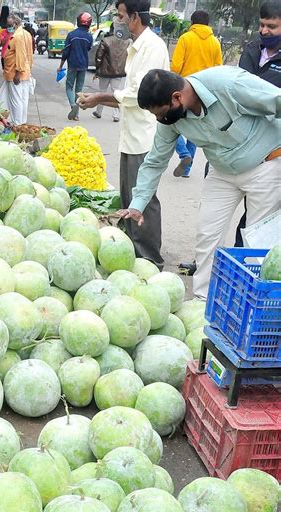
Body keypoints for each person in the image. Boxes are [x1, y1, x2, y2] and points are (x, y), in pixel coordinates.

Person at [118, 67, 281, 299]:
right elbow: (155, 161)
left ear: (177, 97)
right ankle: (203, 301)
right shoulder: (170, 119)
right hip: (222, 170)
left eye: (161, 114)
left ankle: (258, 303)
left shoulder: (228, 84)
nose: (159, 120)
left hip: (264, 165)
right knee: (208, 234)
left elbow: (277, 100)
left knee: (257, 241)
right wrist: (138, 203)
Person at [78, 0, 169, 269]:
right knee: (130, 196)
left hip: (144, 135)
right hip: (131, 135)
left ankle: (150, 259)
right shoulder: (135, 45)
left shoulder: (152, 47)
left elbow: (137, 95)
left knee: (145, 198)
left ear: (135, 18)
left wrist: (100, 98)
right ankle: (132, 250)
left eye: (120, 16)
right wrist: (101, 99)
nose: (118, 21)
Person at [236, 0, 281, 246]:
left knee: (262, 218)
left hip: (274, 148)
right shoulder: (252, 50)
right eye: (262, 25)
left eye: (272, 26)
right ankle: (235, 260)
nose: (264, 31)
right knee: (249, 213)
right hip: (244, 144)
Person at [171, 10, 222, 177]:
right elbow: (218, 68)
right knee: (195, 128)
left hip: (184, 88)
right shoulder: (215, 42)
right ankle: (186, 170)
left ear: (192, 23)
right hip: (204, 92)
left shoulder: (186, 38)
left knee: (171, 124)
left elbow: (176, 66)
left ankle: (184, 154)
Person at [0, 15, 33, 125]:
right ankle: (21, 122)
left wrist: (17, 72)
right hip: (24, 72)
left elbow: (21, 55)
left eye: (9, 25)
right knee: (22, 100)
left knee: (16, 100)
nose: (8, 27)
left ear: (16, 24)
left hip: (16, 73)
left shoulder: (18, 36)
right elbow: (29, 55)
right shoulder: (26, 34)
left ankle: (17, 124)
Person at [93, 20, 131, 122]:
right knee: (117, 93)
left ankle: (99, 112)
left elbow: (99, 57)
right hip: (119, 73)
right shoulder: (127, 42)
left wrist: (97, 70)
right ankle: (116, 115)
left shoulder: (105, 41)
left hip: (105, 72)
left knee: (102, 92)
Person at [58, 12, 93, 121]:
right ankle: (76, 115)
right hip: (83, 66)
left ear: (78, 22)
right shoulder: (89, 37)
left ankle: (73, 105)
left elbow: (66, 52)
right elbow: (88, 49)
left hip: (72, 65)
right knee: (79, 89)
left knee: (69, 87)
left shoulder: (71, 35)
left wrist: (60, 66)